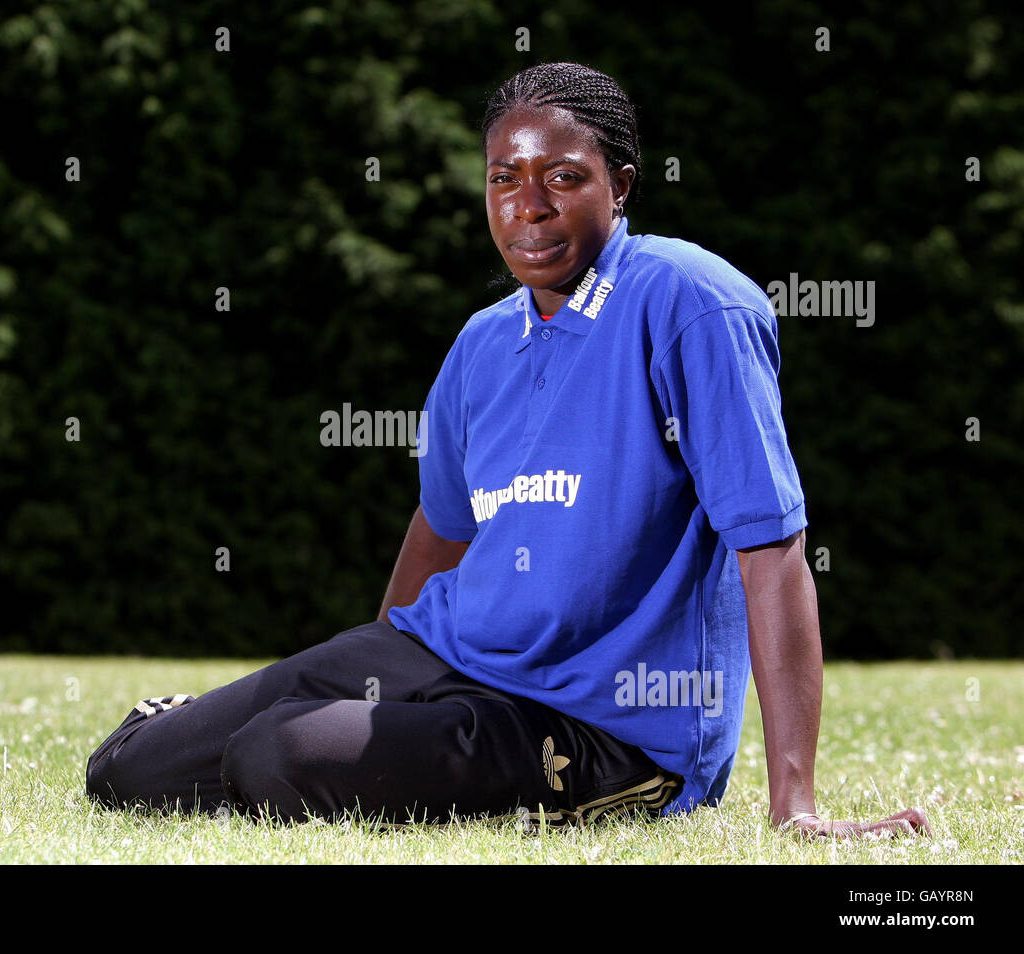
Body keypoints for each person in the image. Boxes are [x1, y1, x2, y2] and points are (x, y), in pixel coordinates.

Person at [86, 62, 931, 839]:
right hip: (453, 654)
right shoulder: (484, 341)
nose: (528, 206)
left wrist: (797, 805)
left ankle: (304, 747)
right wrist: (385, 686)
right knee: (128, 768)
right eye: (504, 179)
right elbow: (439, 526)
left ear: (621, 186)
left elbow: (772, 550)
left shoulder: (691, 307)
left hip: (601, 724)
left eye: (563, 178)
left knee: (277, 756)